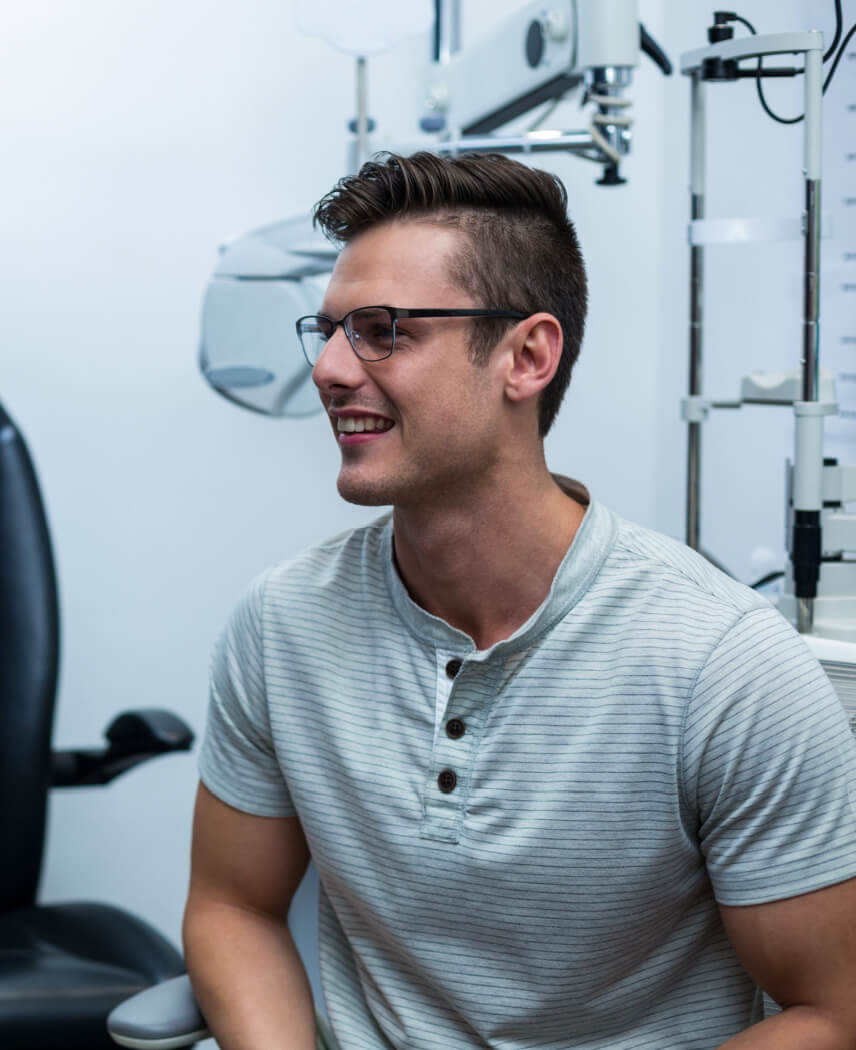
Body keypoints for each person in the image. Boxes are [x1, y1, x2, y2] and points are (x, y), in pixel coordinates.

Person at [183, 151, 856, 1050]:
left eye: (382, 331)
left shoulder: (722, 667)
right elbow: (232, 907)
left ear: (527, 357)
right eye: (332, 330)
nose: (330, 370)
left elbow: (830, 1013)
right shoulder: (282, 625)